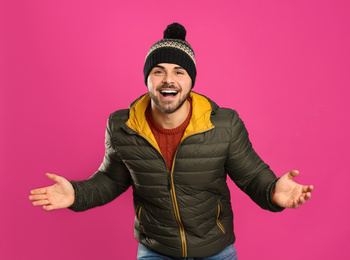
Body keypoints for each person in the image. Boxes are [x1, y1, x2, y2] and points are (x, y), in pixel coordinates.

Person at [29, 23, 314, 259]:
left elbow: (252, 175)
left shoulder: (224, 125)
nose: (169, 80)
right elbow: (112, 180)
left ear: (191, 80)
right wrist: (76, 194)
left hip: (215, 250)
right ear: (147, 80)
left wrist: (273, 191)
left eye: (179, 72)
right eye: (158, 71)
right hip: (155, 249)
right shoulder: (122, 126)